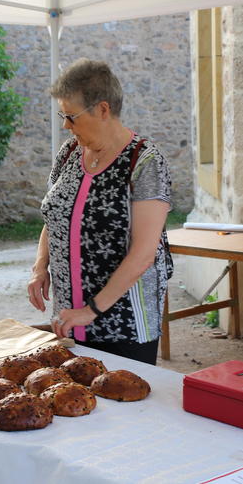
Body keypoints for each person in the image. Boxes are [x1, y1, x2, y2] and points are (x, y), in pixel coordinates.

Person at [27, 58, 173, 366]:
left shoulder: (144, 162)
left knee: (121, 406)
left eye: (71, 116)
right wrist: (41, 266)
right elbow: (55, 215)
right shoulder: (68, 152)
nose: (65, 125)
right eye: (62, 115)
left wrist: (91, 311)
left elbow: (144, 253)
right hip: (70, 316)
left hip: (124, 324)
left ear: (103, 110)